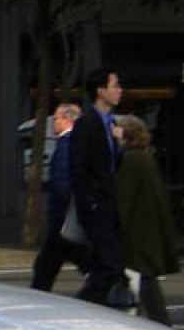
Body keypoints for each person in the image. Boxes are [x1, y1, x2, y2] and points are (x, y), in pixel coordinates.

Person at [69, 68, 134, 308]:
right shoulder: (87, 123)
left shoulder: (111, 124)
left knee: (105, 263)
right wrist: (89, 201)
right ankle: (85, 305)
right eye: (114, 85)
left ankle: (93, 307)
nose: (119, 90)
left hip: (109, 202)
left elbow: (111, 166)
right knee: (110, 264)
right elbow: (77, 166)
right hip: (96, 204)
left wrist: (119, 146)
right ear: (100, 91)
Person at [113, 115, 179, 325]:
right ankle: (159, 320)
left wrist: (114, 226)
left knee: (142, 277)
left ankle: (161, 322)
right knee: (145, 277)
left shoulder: (131, 160)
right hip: (146, 229)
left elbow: (124, 198)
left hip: (137, 231)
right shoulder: (144, 158)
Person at [30, 103, 91, 292]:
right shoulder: (78, 142)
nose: (53, 123)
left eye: (55, 118)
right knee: (51, 262)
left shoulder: (67, 144)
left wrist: (61, 211)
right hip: (67, 216)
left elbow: (63, 182)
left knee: (47, 264)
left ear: (66, 120)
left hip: (63, 215)